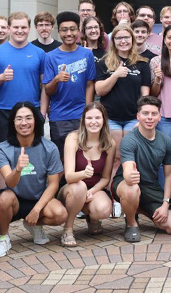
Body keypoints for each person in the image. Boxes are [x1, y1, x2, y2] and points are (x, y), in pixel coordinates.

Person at [0, 102, 67, 257]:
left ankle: (34, 224)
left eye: (28, 118)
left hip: (38, 199)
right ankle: (4, 237)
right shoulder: (2, 149)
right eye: (19, 119)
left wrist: (37, 210)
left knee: (60, 214)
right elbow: (10, 183)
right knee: (4, 198)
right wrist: (18, 169)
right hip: (14, 201)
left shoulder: (49, 147)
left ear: (36, 121)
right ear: (13, 122)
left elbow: (53, 184)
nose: (24, 123)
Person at [110, 96, 171, 242]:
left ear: (160, 117)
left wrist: (165, 203)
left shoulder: (165, 141)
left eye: (154, 114)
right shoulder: (129, 140)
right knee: (132, 189)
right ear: (138, 116)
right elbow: (128, 171)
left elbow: (169, 175)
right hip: (125, 184)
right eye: (145, 114)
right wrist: (131, 176)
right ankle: (131, 223)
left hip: (150, 186)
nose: (149, 118)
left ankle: (137, 208)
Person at [94, 24, 151, 174]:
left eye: (126, 37)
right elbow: (99, 90)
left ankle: (131, 193)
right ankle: (114, 195)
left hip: (133, 118)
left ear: (132, 39)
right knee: (116, 158)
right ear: (113, 41)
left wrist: (141, 118)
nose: (123, 41)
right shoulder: (104, 62)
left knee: (132, 159)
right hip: (111, 118)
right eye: (119, 38)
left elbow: (145, 93)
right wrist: (115, 75)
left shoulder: (142, 63)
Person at [0, 12, 47, 143]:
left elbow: (45, 84)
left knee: (32, 154)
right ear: (8, 28)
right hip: (5, 110)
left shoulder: (39, 53)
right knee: (5, 154)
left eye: (23, 27)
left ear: (29, 29)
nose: (19, 31)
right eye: (16, 27)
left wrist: (43, 112)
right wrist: (1, 77)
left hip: (31, 110)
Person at [58, 102, 115, 245]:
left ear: (104, 120)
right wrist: (84, 174)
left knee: (103, 210)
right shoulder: (73, 138)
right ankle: (68, 229)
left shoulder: (110, 143)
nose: (94, 122)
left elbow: (106, 178)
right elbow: (69, 176)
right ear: (83, 120)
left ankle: (93, 218)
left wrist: (93, 191)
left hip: (93, 190)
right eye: (89, 118)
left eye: (98, 118)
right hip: (71, 188)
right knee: (79, 187)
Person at [43, 12, 96, 156]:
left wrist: (87, 111)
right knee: (61, 159)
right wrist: (56, 79)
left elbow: (90, 84)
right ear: (59, 32)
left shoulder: (87, 54)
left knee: (83, 157)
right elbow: (47, 90)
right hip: (59, 117)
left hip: (81, 115)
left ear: (78, 31)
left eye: (72, 29)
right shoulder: (51, 57)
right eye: (64, 30)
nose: (68, 33)